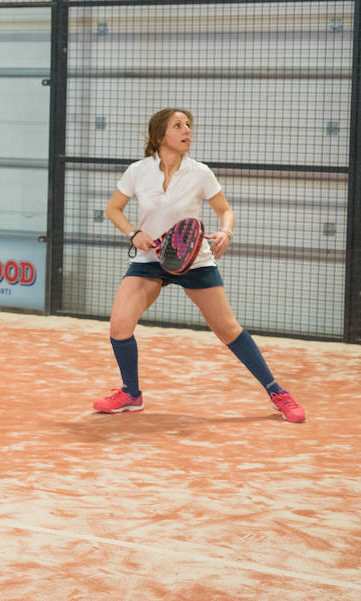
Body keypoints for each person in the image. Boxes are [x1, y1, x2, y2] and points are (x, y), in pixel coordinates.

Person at [94, 108, 306, 423]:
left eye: (189, 125)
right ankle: (131, 394)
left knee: (228, 329)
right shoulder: (138, 171)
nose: (187, 130)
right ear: (159, 135)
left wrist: (226, 231)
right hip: (151, 259)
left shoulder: (200, 172)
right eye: (178, 125)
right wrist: (134, 232)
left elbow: (225, 210)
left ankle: (278, 393)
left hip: (194, 260)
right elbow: (114, 209)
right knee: (119, 326)